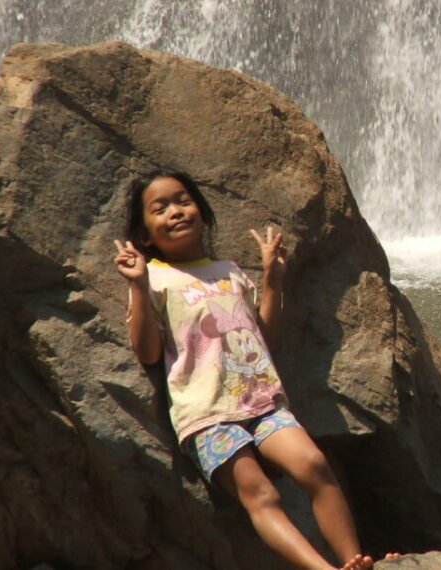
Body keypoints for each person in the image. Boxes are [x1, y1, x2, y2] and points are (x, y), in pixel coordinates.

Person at [113, 170, 374, 570]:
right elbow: (148, 352)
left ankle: (355, 560)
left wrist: (272, 279)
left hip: (264, 401)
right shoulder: (155, 279)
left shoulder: (229, 271)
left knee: (315, 465)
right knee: (263, 496)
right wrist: (136, 284)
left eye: (183, 201)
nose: (176, 212)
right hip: (207, 414)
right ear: (145, 235)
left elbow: (263, 336)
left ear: (203, 213)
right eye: (160, 208)